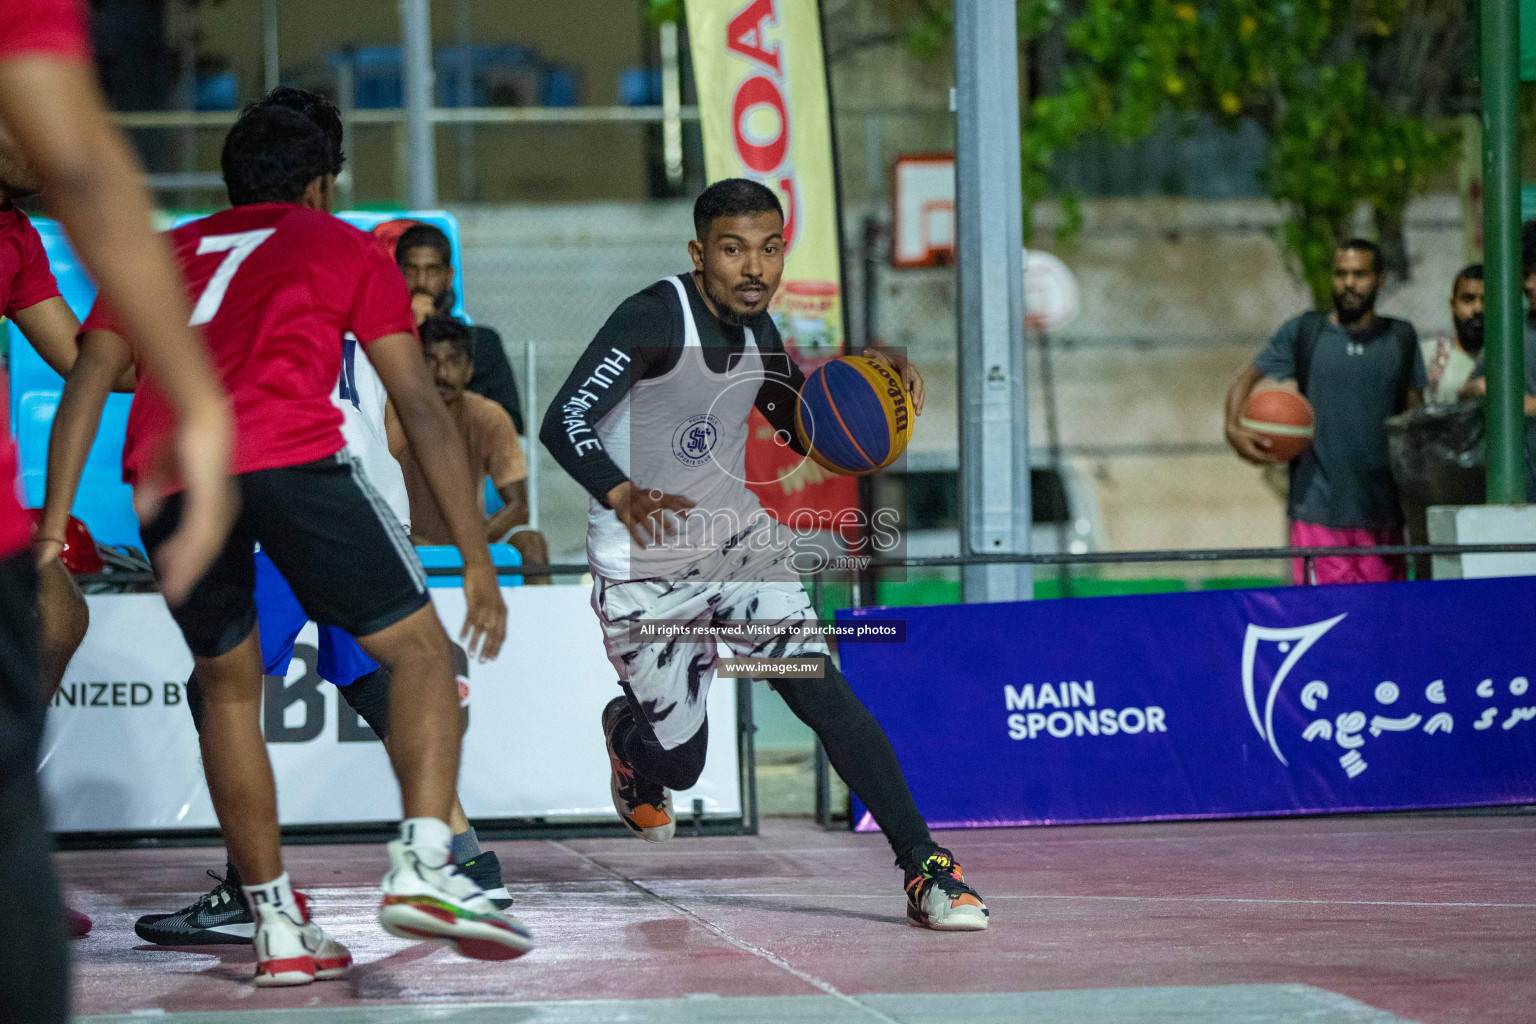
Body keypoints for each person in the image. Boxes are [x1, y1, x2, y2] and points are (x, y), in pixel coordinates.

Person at [50, 103, 529, 986]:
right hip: (288, 458)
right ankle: (427, 862)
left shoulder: (162, 252)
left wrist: (50, 525)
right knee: (421, 656)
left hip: (169, 474)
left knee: (226, 691)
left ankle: (273, 924)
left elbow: (88, 379)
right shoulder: (344, 245)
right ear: (321, 185)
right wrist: (472, 554)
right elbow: (419, 404)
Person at [540, 178, 984, 932]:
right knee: (681, 767)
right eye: (733, 248)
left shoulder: (759, 330)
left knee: (820, 687)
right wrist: (620, 493)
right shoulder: (654, 316)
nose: (755, 267)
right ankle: (629, 738)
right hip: (644, 570)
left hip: (738, 544)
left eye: (770, 248)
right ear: (698, 253)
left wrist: (879, 389)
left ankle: (927, 868)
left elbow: (800, 421)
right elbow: (565, 418)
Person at [0, 3, 235, 1020]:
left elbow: (87, 357)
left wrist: (206, 359)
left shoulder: (12, 240)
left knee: (59, 615)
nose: (42, 153)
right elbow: (92, 171)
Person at [1224, 239, 1425, 585]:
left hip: (1382, 515)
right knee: (1319, 620)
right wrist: (1232, 427)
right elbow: (1247, 377)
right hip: (1316, 512)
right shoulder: (1305, 332)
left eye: (1360, 274)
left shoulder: (1400, 337)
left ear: (1379, 280)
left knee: (1377, 624)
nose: (1348, 283)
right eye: (1341, 274)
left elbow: (1416, 417)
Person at [390, 314, 549, 576]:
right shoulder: (391, 413)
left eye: (453, 361)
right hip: (405, 544)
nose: (442, 373)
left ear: (469, 369)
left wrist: (469, 544)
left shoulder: (488, 416)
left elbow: (518, 507)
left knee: (531, 544)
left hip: (472, 545)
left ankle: (543, 619)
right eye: (430, 360)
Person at [395, 222, 525, 434]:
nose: (421, 282)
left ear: (449, 277)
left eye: (432, 271)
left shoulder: (481, 344)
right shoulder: (379, 346)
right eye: (411, 271)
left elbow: (512, 423)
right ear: (396, 276)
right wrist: (411, 332)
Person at [1420, 264, 1484, 406]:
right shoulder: (1430, 355)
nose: (1478, 308)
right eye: (1468, 299)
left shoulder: (1511, 358)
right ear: (1453, 305)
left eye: (1486, 300)